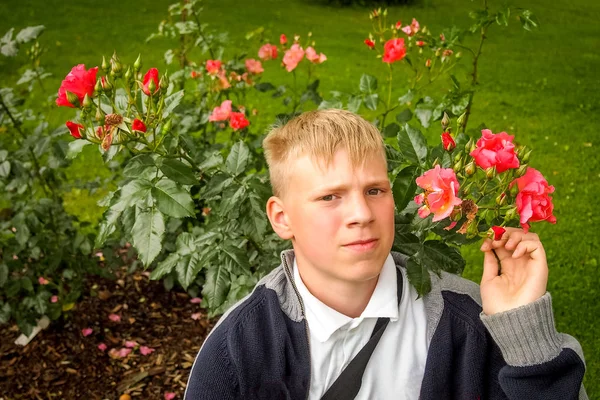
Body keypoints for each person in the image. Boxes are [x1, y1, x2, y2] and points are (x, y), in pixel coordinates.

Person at [184, 109, 587, 399]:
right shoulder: (240, 348)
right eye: (330, 197)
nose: (362, 214)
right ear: (282, 217)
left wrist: (523, 332)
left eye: (375, 190)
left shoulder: (469, 321)